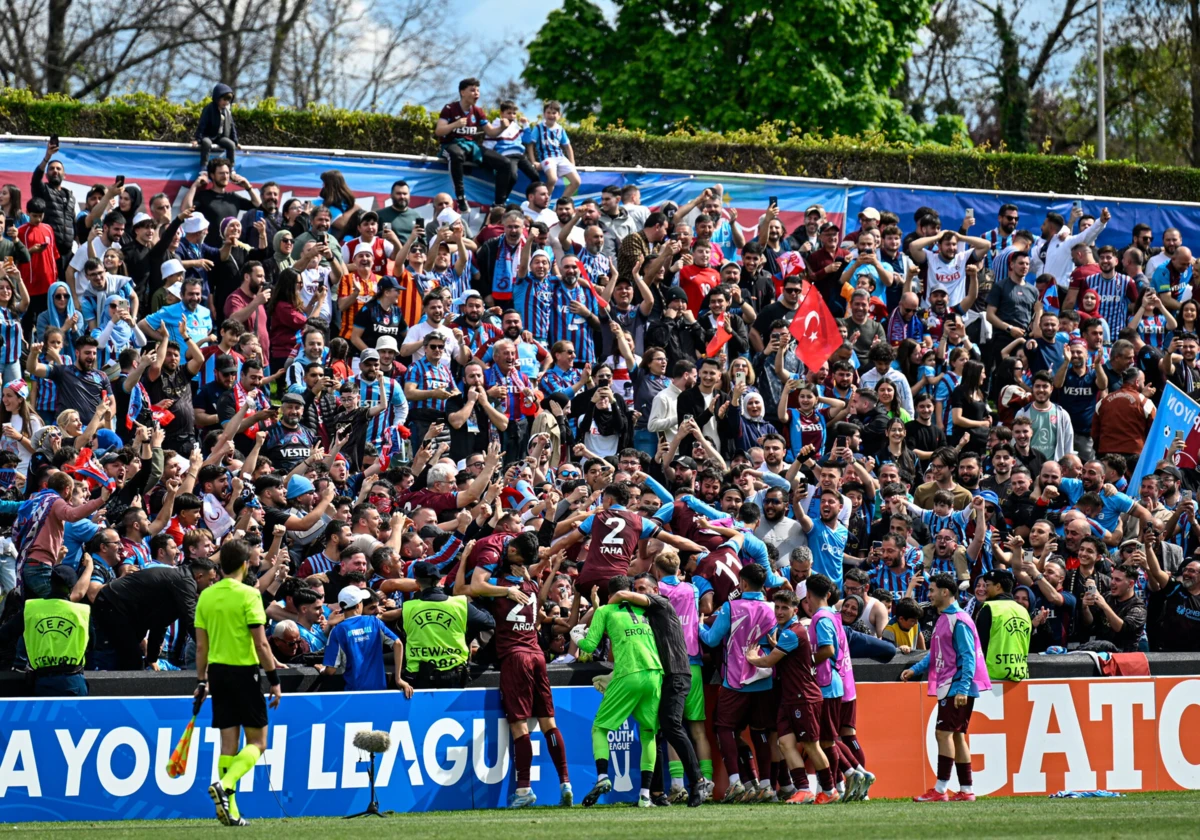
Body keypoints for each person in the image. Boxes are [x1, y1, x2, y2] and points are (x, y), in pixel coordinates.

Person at [466, 532, 573, 808]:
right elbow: (536, 576)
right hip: (538, 655)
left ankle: (524, 790)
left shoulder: (499, 586)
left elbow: (465, 590)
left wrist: (467, 558)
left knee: (519, 725)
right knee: (549, 722)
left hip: (515, 657)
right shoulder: (532, 589)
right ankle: (565, 782)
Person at [196, 539, 282, 827]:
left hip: (217, 675)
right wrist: (274, 679)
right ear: (245, 564)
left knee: (227, 746)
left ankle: (231, 812)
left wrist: (200, 681)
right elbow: (261, 644)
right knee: (258, 742)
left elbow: (200, 648)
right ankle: (227, 784)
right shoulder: (249, 595)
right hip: (245, 673)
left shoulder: (206, 596)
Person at [607, 564, 708, 808]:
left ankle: (698, 781)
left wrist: (602, 613)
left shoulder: (662, 603)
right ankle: (657, 794)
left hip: (676, 674)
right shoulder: (643, 617)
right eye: (636, 589)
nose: (638, 592)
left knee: (672, 726)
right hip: (658, 677)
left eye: (643, 589)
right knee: (655, 732)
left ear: (655, 590)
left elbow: (621, 595)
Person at [575, 574, 663, 809]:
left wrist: (577, 636)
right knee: (648, 735)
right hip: (655, 674)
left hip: (628, 674)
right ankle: (645, 795)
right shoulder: (645, 609)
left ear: (609, 594)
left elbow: (590, 647)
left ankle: (603, 777)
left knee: (600, 728)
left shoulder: (604, 611)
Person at [903, 573, 992, 802]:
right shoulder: (946, 618)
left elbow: (968, 656)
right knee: (958, 736)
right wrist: (916, 668)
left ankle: (940, 789)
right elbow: (937, 652)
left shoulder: (958, 619)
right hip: (954, 685)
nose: (929, 594)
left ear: (945, 592)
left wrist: (962, 688)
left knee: (943, 734)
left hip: (956, 685)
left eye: (932, 590)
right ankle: (966, 789)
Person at [745, 588, 835, 804]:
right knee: (785, 743)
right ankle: (803, 789)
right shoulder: (788, 633)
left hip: (804, 697)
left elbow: (768, 662)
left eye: (785, 608)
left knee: (811, 745)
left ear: (795, 610)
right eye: (776, 607)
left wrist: (751, 657)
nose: (779, 611)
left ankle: (830, 790)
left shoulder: (792, 632)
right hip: (790, 698)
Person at [23, 562, 92, 695]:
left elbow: (5, 635)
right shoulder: (82, 611)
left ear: (50, 582)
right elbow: (92, 644)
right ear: (72, 586)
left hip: (42, 681)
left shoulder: (31, 608)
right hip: (72, 680)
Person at [321, 585, 405, 691]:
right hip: (379, 690)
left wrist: (322, 670)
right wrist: (398, 678)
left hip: (353, 693)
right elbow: (398, 644)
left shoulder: (338, 631)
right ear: (358, 605)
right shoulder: (374, 622)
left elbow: (330, 670)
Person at [974, 569, 1032, 682]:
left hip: (992, 677)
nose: (985, 589)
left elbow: (978, 645)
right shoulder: (1023, 610)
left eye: (988, 585)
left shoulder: (988, 608)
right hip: (1020, 676)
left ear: (998, 586)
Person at [195, 84, 239, 168]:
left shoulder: (227, 111)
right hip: (208, 135)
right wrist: (198, 139)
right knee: (206, 143)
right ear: (217, 98)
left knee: (231, 145)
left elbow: (232, 126)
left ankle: (231, 168)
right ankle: (204, 167)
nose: (226, 102)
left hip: (221, 137)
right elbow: (202, 124)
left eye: (228, 100)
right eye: (224, 99)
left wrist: (235, 141)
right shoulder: (209, 108)